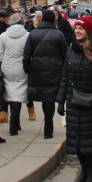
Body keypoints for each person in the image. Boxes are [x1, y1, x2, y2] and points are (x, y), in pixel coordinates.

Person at [58, 16, 92, 182]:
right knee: (77, 141)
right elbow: (65, 75)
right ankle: (84, 171)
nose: (77, 31)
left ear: (88, 31)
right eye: (76, 29)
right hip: (74, 101)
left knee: (90, 142)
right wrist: (60, 100)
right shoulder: (71, 50)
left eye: (81, 29)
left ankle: (91, 175)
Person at [24, 9, 67, 139]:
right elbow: (65, 55)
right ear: (53, 21)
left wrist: (28, 69)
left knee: (43, 96)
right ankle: (48, 127)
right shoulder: (58, 35)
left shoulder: (32, 34)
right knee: (50, 98)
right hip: (55, 70)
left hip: (37, 69)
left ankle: (47, 126)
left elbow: (26, 55)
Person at [0, 12, 30, 136]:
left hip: (7, 66)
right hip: (21, 67)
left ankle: (14, 121)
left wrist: (0, 65)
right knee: (19, 93)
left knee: (10, 92)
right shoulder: (27, 35)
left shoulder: (4, 35)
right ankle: (14, 123)